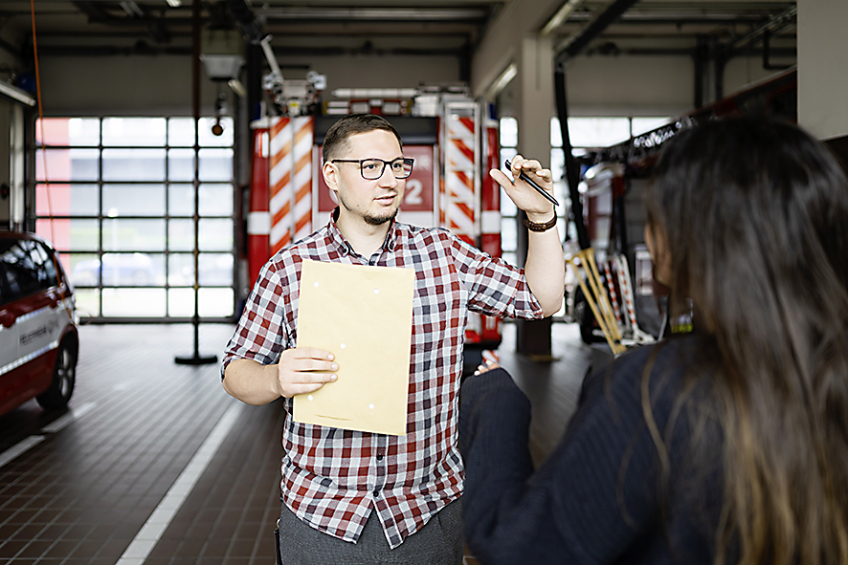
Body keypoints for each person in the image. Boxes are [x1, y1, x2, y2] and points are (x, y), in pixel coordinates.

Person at [459, 117, 848, 565]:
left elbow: (520, 549)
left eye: (656, 212)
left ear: (691, 236)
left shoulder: (653, 389)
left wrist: (495, 401)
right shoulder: (827, 370)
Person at [221, 113, 565, 564]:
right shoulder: (290, 269)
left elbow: (541, 298)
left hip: (427, 512)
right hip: (322, 513)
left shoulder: (443, 255)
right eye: (370, 167)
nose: (389, 180)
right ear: (332, 176)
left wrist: (541, 216)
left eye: (398, 166)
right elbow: (235, 370)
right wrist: (274, 379)